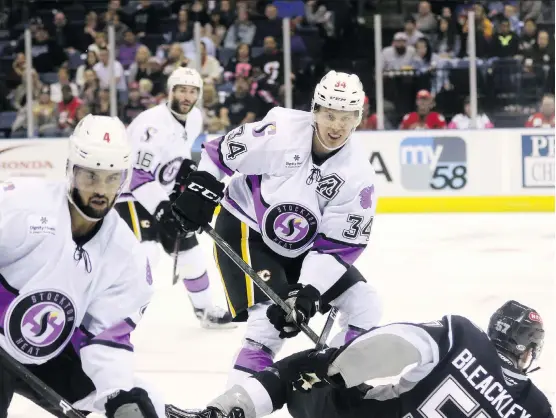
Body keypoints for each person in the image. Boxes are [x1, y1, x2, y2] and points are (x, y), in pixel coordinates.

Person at [171, 70, 383, 387]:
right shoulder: (281, 130)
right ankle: (237, 406)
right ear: (315, 110)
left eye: (346, 116)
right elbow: (220, 153)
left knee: (366, 305)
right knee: (266, 328)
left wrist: (308, 290)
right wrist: (202, 189)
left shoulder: (358, 176)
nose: (337, 125)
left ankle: (326, 381)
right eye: (329, 114)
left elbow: (334, 247)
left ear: (358, 118)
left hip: (304, 247)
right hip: (247, 230)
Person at [0, 115, 165, 418]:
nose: (101, 190)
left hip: (53, 354)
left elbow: (106, 339)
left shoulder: (126, 253)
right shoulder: (21, 204)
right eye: (91, 176)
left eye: (112, 178)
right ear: (71, 172)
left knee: (141, 404)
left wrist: (116, 394)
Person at [203, 300, 552, 418]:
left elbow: (394, 342)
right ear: (527, 349)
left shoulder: (462, 336)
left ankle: (226, 409)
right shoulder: (537, 407)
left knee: (306, 366)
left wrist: (336, 369)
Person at [115, 67, 234, 328]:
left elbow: (175, 158)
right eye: (181, 90)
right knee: (145, 256)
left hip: (163, 196)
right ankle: (115, 316)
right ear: (170, 91)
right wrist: (163, 211)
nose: (186, 96)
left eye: (192, 91)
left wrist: (184, 172)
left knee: (191, 257)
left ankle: (205, 312)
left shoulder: (194, 118)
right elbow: (138, 177)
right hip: (131, 197)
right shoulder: (151, 125)